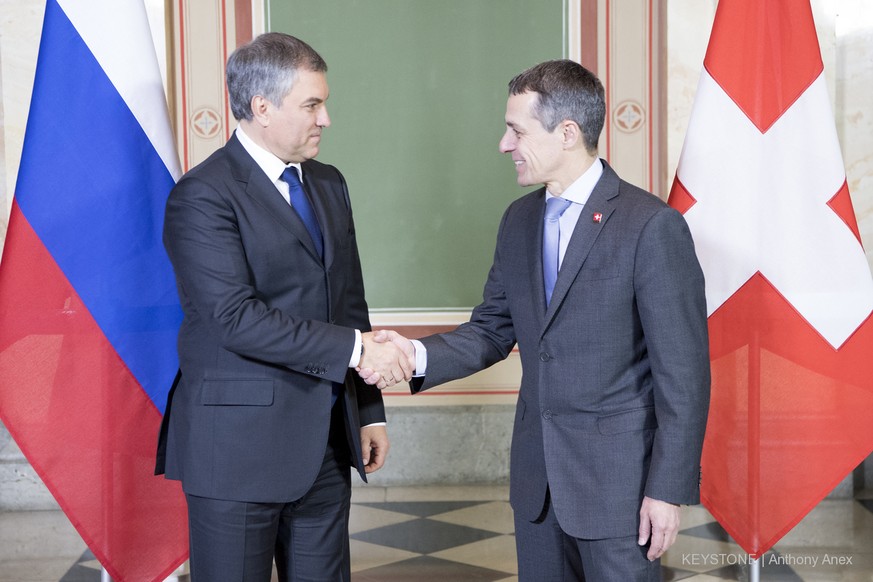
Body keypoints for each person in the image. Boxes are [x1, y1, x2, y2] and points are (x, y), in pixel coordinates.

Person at [362, 60, 710, 581]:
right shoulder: (518, 220)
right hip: (538, 487)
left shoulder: (651, 226)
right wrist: (411, 355)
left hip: (621, 491)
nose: (505, 144)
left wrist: (667, 489)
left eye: (517, 130)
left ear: (567, 132)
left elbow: (683, 376)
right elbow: (491, 330)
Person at [155, 32, 413, 582]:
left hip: (324, 442)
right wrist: (355, 350)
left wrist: (367, 410)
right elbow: (235, 318)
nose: (326, 119)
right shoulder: (202, 196)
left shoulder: (328, 183)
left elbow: (349, 301)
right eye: (313, 104)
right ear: (261, 108)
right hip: (236, 452)